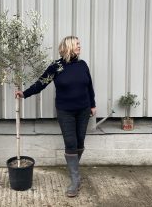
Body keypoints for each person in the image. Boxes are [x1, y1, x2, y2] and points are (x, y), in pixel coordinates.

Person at [15, 36, 96, 197]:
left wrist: (92, 105)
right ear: (68, 47)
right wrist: (24, 93)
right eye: (77, 44)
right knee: (70, 142)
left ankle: (75, 171)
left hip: (83, 110)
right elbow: (41, 83)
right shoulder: (57, 66)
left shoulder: (82, 65)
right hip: (65, 111)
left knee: (80, 141)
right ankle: (75, 180)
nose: (80, 46)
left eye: (79, 44)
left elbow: (89, 86)